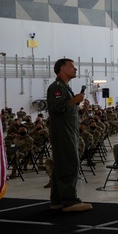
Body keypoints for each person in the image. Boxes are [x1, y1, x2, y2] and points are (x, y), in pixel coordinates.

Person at [46, 58, 91, 212]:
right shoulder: (57, 88)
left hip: (68, 130)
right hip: (62, 133)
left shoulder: (65, 88)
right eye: (72, 67)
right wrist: (74, 100)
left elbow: (67, 112)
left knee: (61, 165)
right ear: (62, 69)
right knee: (69, 163)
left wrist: (81, 109)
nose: (75, 69)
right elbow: (57, 107)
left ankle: (57, 200)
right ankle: (70, 201)